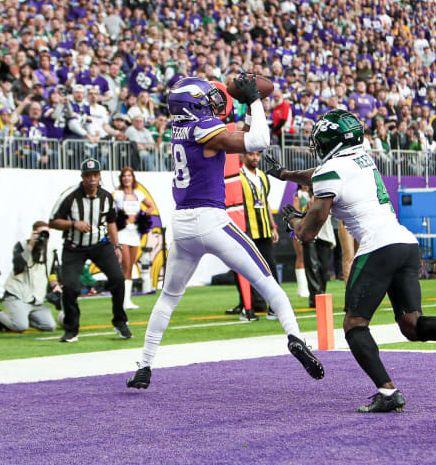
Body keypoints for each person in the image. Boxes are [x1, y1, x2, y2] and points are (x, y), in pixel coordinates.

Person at [273, 109, 436, 413]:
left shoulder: (330, 170)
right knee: (411, 325)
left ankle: (387, 392)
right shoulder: (362, 159)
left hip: (377, 247)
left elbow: (308, 232)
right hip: (404, 242)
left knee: (354, 324)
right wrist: (285, 175)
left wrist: (295, 221)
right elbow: (318, 175)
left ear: (330, 141)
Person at [127, 75, 323, 390]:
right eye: (205, 98)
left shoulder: (183, 129)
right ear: (193, 104)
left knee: (168, 298)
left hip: (183, 224)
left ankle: (144, 366)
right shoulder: (203, 129)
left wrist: (246, 112)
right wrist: (255, 101)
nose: (212, 102)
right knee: (268, 283)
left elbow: (240, 131)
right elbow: (258, 141)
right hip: (211, 219)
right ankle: (296, 337)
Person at [49, 158, 131, 343]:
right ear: (82, 176)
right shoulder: (70, 197)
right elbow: (53, 221)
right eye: (88, 175)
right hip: (74, 247)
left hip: (100, 245)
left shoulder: (106, 197)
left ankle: (120, 321)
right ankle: (71, 328)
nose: (92, 179)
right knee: (70, 286)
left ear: (100, 176)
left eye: (95, 175)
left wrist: (116, 245)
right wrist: (73, 223)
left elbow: (111, 222)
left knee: (118, 278)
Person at [226, 150, 280, 321]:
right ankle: (247, 306)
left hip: (264, 229)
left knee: (270, 268)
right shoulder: (237, 177)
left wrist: (273, 226)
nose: (255, 157)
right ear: (242, 156)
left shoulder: (263, 176)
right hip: (246, 229)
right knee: (245, 269)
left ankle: (274, 306)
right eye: (251, 154)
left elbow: (265, 201)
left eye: (257, 154)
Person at [0, 221, 62, 333]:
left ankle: (22, 317)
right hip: (17, 295)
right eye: (41, 233)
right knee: (20, 327)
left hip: (36, 299)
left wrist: (56, 286)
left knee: (49, 326)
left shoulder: (51, 251)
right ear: (33, 233)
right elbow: (18, 266)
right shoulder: (22, 246)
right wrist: (31, 245)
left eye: (46, 234)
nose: (44, 237)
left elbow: (52, 272)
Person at [113, 166, 157, 310]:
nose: (127, 178)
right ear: (121, 178)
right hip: (122, 232)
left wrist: (143, 215)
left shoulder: (138, 194)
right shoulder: (118, 194)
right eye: (124, 176)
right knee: (125, 264)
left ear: (133, 178)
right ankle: (122, 300)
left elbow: (151, 206)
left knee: (131, 266)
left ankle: (127, 300)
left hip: (134, 232)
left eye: (129, 176)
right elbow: (111, 211)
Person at [300, 184, 335, 308]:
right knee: (312, 265)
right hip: (309, 233)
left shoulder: (328, 195)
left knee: (323, 268)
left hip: (325, 233)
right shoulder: (301, 196)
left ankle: (321, 295)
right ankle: (315, 298)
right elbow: (298, 213)